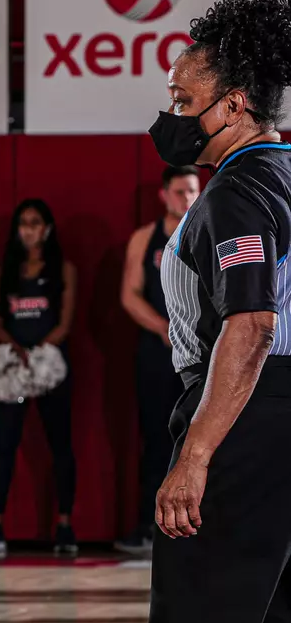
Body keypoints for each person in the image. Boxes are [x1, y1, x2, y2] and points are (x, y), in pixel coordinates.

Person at [120, 0, 291, 623]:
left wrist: (197, 455)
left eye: (183, 98)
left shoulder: (240, 188)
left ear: (231, 106)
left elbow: (253, 322)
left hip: (249, 415)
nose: (169, 110)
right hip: (285, 420)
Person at [0, 199, 79, 558]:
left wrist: (40, 353)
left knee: (60, 445)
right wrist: (16, 351)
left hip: (51, 368)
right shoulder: (3, 272)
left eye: (36, 222)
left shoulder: (62, 269)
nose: (29, 229)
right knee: (4, 445)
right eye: (23, 223)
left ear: (47, 228)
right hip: (13, 369)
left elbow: (64, 321)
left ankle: (64, 525)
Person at [117, 165, 203, 556]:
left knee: (198, 436)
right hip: (157, 352)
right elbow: (130, 295)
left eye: (193, 191)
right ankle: (149, 525)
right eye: (180, 192)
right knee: (156, 437)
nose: (187, 199)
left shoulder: (207, 229)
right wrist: (163, 329)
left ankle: (199, 523)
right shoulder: (144, 239)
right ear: (164, 194)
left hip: (200, 354)